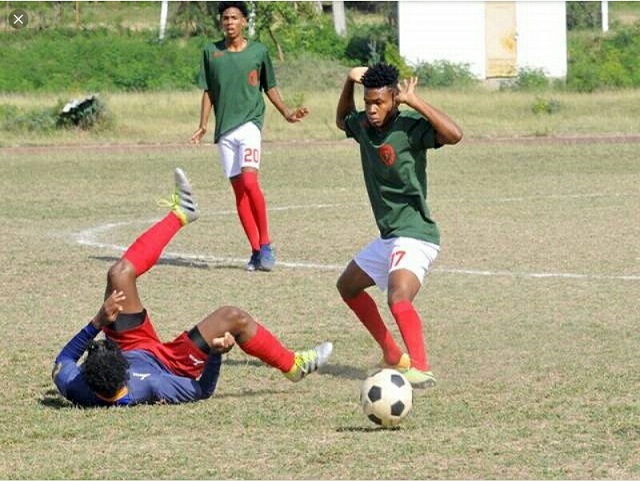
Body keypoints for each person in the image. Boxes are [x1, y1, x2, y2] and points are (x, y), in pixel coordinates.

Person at [52, 168, 333, 407]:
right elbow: (203, 391)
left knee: (119, 274)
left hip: (132, 345)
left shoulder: (75, 385)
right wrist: (214, 354)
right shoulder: (152, 385)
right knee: (233, 317)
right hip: (169, 362)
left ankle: (181, 213)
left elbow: (64, 359)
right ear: (124, 375)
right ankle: (293, 365)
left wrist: (98, 322)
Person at [335, 62, 463, 388]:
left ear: (394, 98)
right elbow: (341, 121)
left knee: (397, 297)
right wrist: (348, 83)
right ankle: (392, 354)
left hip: (416, 234)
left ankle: (420, 367)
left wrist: (414, 101)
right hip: (390, 237)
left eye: (379, 102)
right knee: (347, 286)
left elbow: (454, 134)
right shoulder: (364, 125)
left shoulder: (410, 127)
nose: (372, 109)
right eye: (368, 102)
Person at [190, 1, 309, 272]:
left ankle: (266, 243)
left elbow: (271, 87)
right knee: (239, 191)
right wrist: (203, 125)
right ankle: (255, 250)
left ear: (244, 21)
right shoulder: (211, 52)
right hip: (224, 131)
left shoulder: (259, 51)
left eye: (234, 17)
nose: (229, 22)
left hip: (250, 125)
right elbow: (207, 91)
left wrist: (287, 113)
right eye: (225, 18)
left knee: (250, 180)